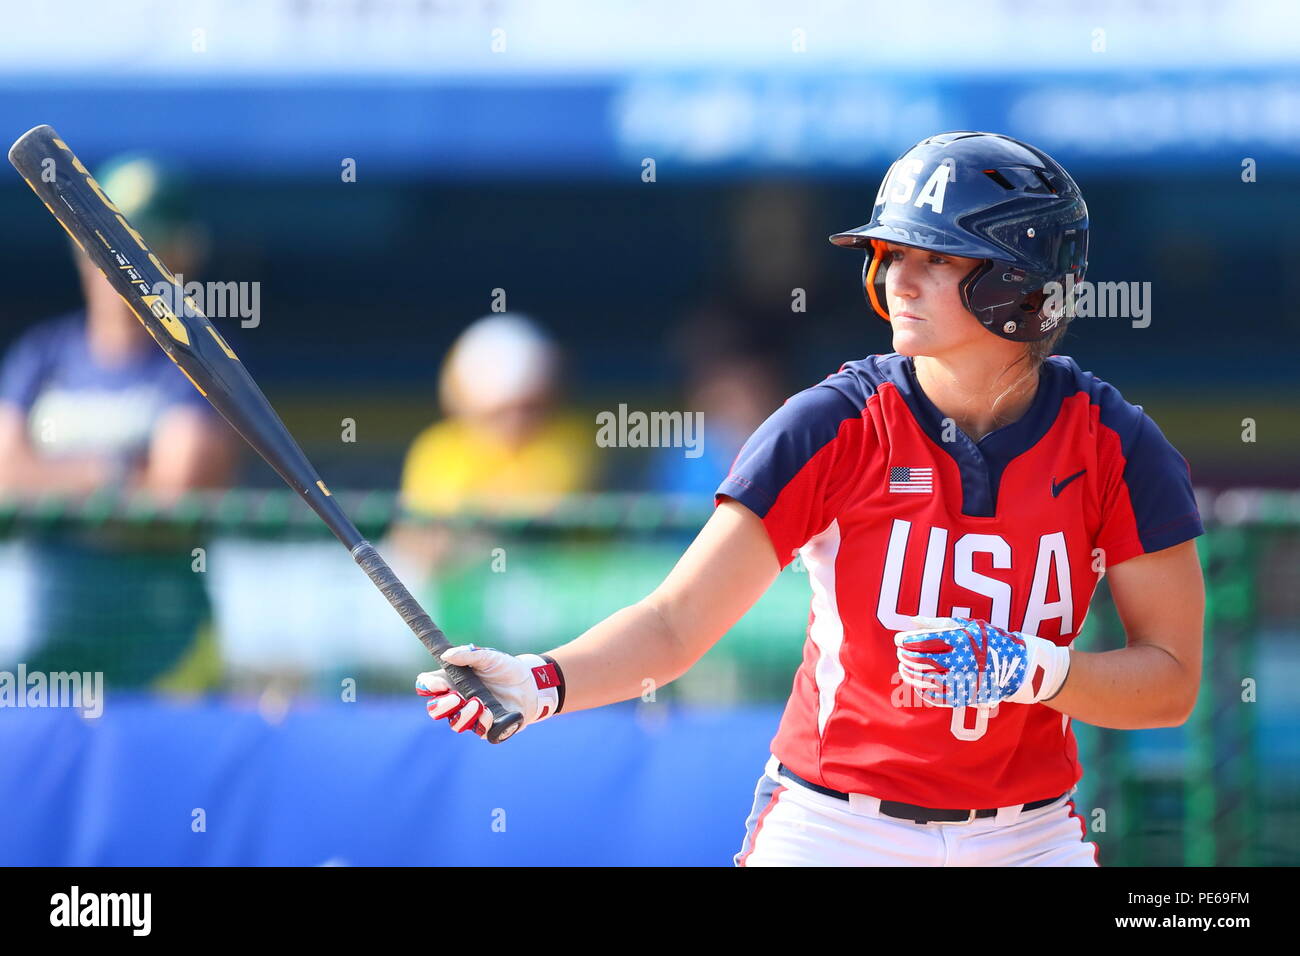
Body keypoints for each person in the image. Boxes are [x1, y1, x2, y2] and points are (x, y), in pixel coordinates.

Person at [410, 132, 1206, 867]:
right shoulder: (835, 423)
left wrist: (1032, 670)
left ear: (1018, 285)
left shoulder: (1116, 445)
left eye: (936, 257)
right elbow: (676, 623)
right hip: (835, 827)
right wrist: (540, 682)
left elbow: (1170, 684)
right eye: (892, 255)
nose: (898, 277)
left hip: (1030, 833)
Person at [0, 154, 237, 686]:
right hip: (53, 648)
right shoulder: (42, 355)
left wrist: (51, 492)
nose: (114, 261)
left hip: (167, 655)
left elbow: (171, 505)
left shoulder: (199, 362)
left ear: (184, 254)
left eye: (141, 243)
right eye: (100, 240)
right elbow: (3, 478)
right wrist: (108, 477)